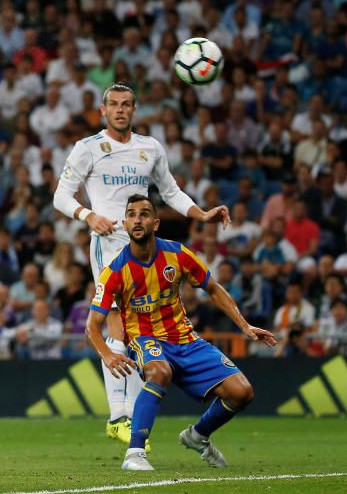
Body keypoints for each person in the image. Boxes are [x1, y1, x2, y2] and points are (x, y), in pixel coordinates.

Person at [53, 84, 230, 446]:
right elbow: (60, 196)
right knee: (117, 325)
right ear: (103, 111)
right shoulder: (87, 148)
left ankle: (128, 416)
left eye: (127, 104)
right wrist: (88, 216)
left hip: (146, 248)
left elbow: (171, 191)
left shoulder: (150, 148)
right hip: (110, 246)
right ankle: (119, 415)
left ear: (134, 110)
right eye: (114, 105)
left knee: (139, 334)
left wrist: (202, 214)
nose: (120, 110)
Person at [87, 194, 276, 471]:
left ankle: (197, 435)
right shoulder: (115, 270)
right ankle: (135, 453)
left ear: (156, 223)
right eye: (131, 214)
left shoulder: (177, 254)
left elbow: (212, 287)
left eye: (144, 214)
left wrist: (244, 325)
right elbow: (92, 324)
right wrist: (106, 354)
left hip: (185, 338)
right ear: (124, 224)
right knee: (159, 372)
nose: (137, 219)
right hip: (145, 338)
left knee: (242, 392)